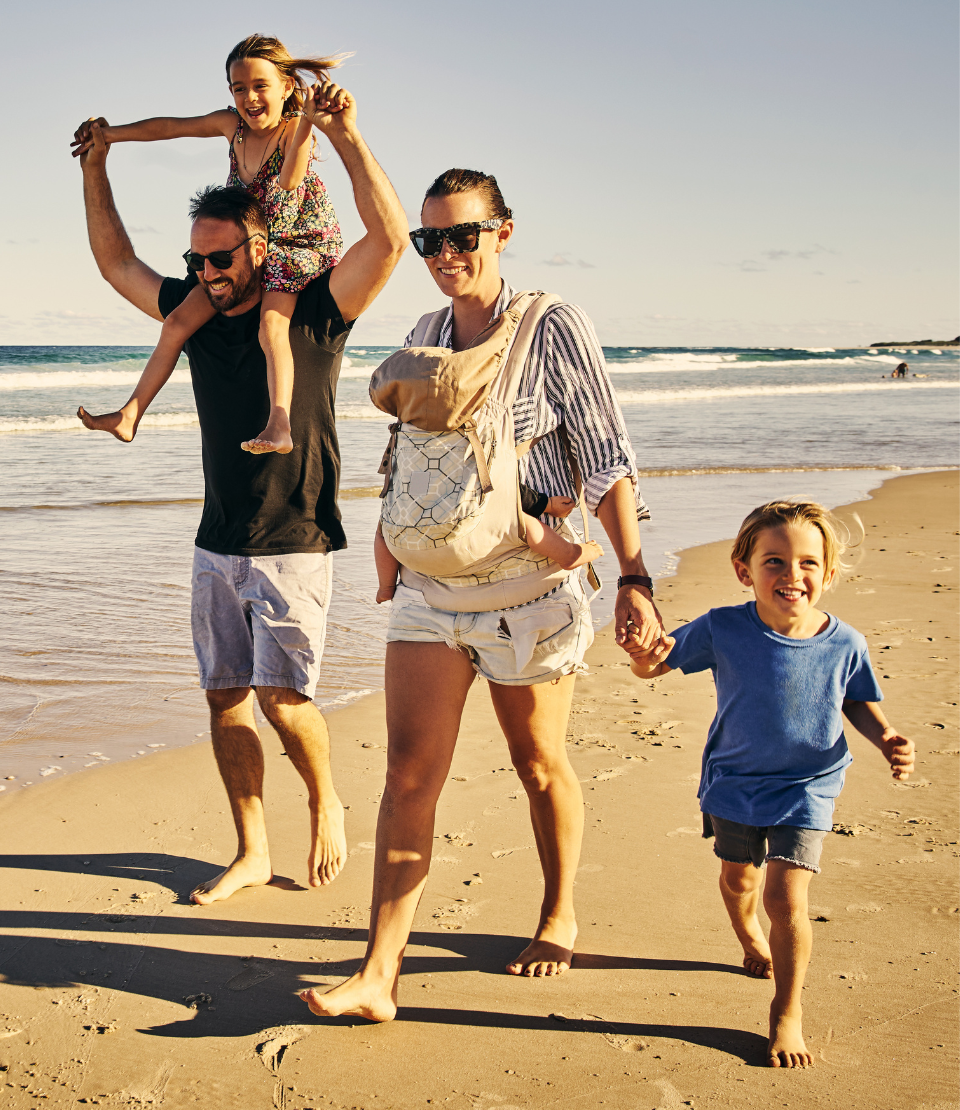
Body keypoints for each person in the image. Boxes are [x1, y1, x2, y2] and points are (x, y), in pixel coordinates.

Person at [302, 167, 663, 1023]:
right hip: (431, 589)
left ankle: (558, 913)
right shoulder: (427, 328)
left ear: (502, 231)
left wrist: (636, 578)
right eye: (430, 240)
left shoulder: (551, 325)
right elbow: (413, 457)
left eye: (463, 235)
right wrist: (388, 548)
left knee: (537, 764)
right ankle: (378, 976)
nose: (444, 254)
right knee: (407, 776)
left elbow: (607, 454)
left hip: (528, 589)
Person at [74, 82, 408, 903]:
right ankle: (252, 849)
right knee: (226, 699)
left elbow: (392, 240)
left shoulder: (316, 315)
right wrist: (98, 162)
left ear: (262, 248)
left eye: (220, 259)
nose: (206, 273)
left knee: (284, 701)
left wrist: (349, 134)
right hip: (216, 540)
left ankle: (326, 801)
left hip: (294, 539)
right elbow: (117, 262)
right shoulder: (197, 310)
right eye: (196, 260)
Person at [622, 500, 916, 1068]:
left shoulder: (845, 642)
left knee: (787, 896)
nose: (792, 575)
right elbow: (654, 665)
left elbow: (857, 699)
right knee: (739, 880)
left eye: (808, 563)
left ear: (828, 573)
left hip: (809, 783)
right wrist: (641, 654)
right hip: (734, 780)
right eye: (774, 561)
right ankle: (748, 934)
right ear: (744, 569)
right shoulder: (723, 627)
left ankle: (787, 1011)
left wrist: (887, 739)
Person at [73, 34, 346, 455]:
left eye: (260, 86)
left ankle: (279, 423)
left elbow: (289, 181)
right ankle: (130, 415)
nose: (250, 98)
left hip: (296, 244)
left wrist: (310, 119)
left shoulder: (295, 129)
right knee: (178, 322)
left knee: (271, 323)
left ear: (287, 86)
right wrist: (110, 135)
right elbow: (169, 127)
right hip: (244, 251)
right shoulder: (231, 126)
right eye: (239, 88)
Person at [373, 491, 602, 603]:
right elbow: (508, 490)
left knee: (384, 527)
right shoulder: (470, 434)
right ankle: (570, 553)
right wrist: (547, 504)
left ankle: (385, 587)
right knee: (522, 522)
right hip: (461, 521)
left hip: (417, 503)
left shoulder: (408, 428)